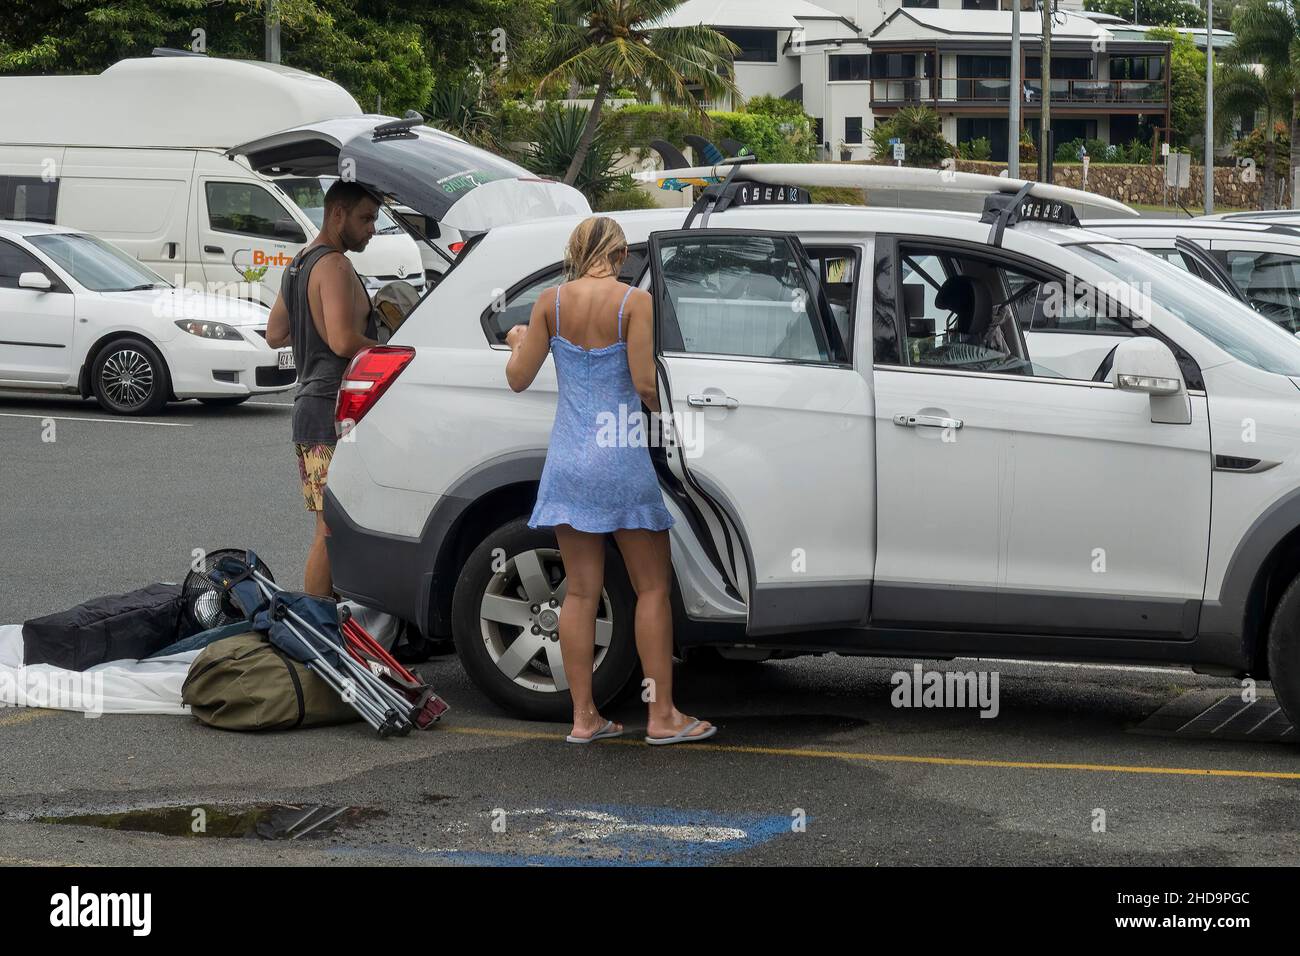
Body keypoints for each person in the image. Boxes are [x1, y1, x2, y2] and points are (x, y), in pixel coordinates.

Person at [504, 216, 716, 746]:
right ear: (619, 255)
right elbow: (645, 383)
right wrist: (681, 424)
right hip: (619, 458)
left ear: (576, 252)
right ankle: (662, 715)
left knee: (578, 591)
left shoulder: (549, 304)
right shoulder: (632, 304)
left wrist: (518, 340)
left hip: (569, 461)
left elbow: (517, 378)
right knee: (651, 588)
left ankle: (583, 718)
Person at [265, 180, 380, 597]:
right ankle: (314, 625)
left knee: (328, 525)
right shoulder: (333, 265)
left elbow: (275, 333)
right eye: (365, 218)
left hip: (309, 409)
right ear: (337, 215)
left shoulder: (298, 263)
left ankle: (324, 622)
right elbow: (343, 342)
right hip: (332, 407)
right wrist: (393, 347)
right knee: (329, 529)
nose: (372, 229)